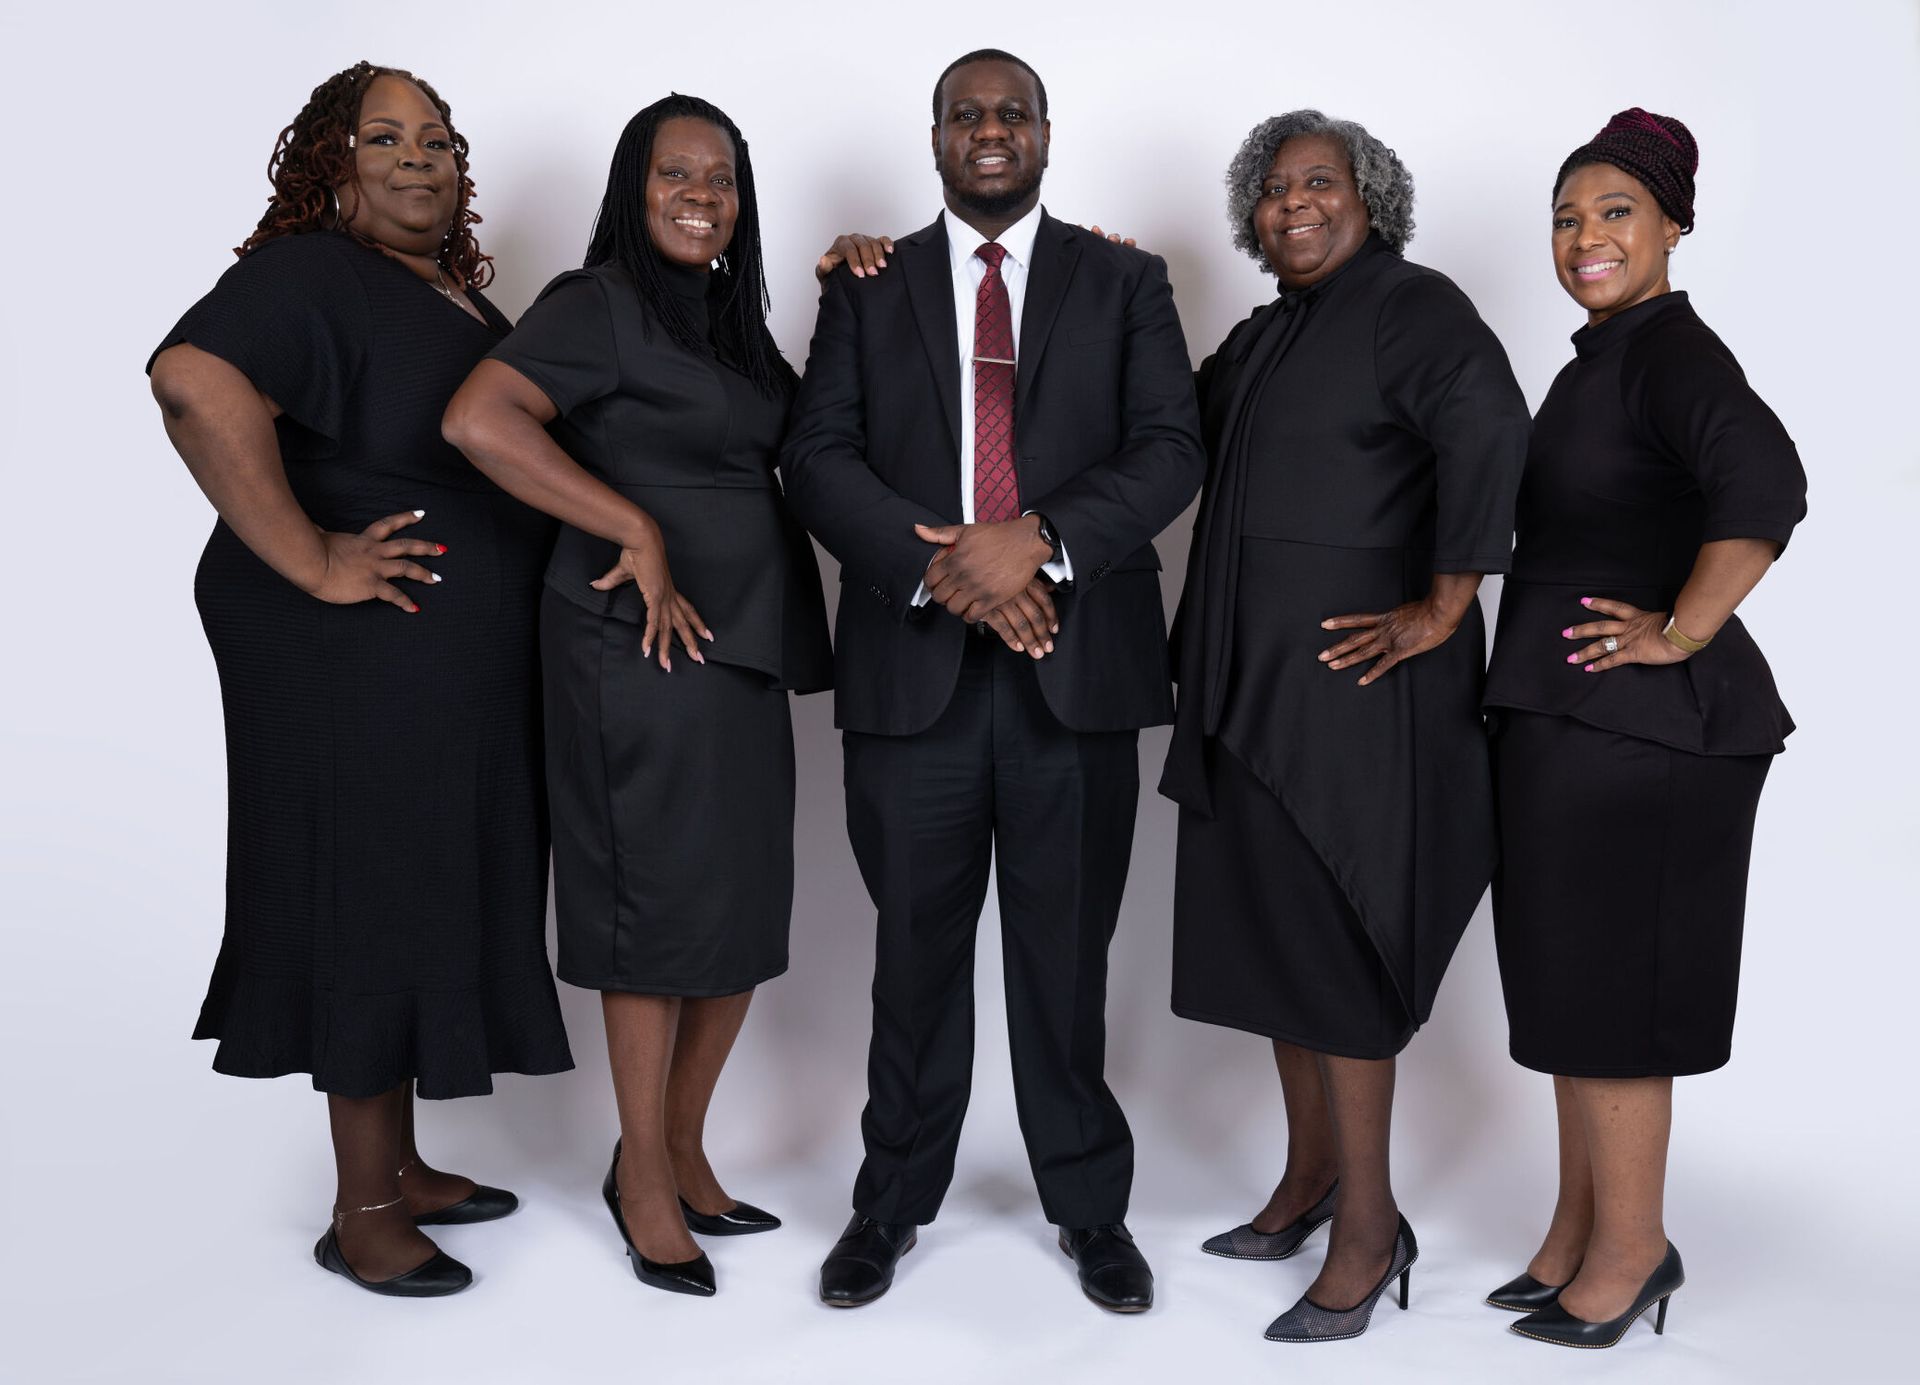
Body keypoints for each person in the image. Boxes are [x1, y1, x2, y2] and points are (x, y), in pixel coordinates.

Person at [781, 48, 1204, 1313]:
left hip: (1078, 681)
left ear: (1047, 133)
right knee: (912, 958)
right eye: (965, 114)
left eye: (1010, 112)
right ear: (935, 138)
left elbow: (1171, 445)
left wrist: (1045, 542)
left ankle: (1090, 1206)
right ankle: (890, 1201)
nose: (989, 130)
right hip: (911, 678)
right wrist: (955, 569)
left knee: (1065, 961)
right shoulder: (867, 283)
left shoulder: (1127, 277)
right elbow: (817, 454)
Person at [146, 62, 572, 1298]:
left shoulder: (445, 294)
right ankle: (366, 1205)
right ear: (330, 165)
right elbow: (190, 379)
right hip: (353, 656)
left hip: (436, 662)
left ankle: (406, 1161)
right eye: (382, 137)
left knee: (425, 882)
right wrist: (313, 555)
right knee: (371, 892)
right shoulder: (306, 274)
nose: (417, 157)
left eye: (437, 138)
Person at [443, 94, 831, 1299]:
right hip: (635, 642)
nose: (701, 194)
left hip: (743, 643)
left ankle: (674, 1147)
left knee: (740, 908)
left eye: (720, 178)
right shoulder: (596, 304)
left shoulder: (724, 322)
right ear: (635, 184)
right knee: (651, 912)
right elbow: (477, 417)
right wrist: (630, 523)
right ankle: (647, 1184)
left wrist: (858, 279)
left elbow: (806, 437)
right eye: (677, 172)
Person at [1158, 110, 1530, 1342]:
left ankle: (1371, 1226)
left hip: (1357, 695)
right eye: (1271, 191)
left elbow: (1488, 422)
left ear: (1372, 197)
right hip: (1250, 686)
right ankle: (1312, 1175)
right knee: (1278, 943)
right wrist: (1104, 276)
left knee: (1341, 949)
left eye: (1320, 183)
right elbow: (1169, 428)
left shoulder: (1412, 306)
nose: (1293, 205)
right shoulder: (1267, 333)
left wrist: (1445, 599)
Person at [1482, 108, 1806, 1350]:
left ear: (1674, 225)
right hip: (1577, 719)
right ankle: (1578, 1227)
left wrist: (1677, 628)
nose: (1585, 236)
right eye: (1566, 217)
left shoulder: (1674, 353)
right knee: (1571, 981)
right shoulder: (1601, 360)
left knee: (1614, 988)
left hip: (1649, 734)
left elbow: (1767, 484)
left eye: (1616, 212)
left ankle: (1631, 1250)